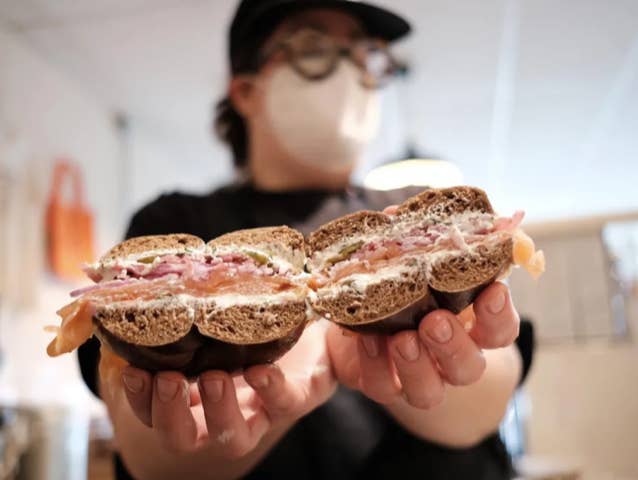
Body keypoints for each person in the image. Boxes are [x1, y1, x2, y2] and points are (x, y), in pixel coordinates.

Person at [78, 1, 534, 478]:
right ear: (246, 90)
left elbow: (496, 384)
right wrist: (271, 390)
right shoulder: (174, 220)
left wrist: (378, 354)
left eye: (364, 55)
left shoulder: (417, 207)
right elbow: (146, 450)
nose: (349, 72)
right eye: (313, 48)